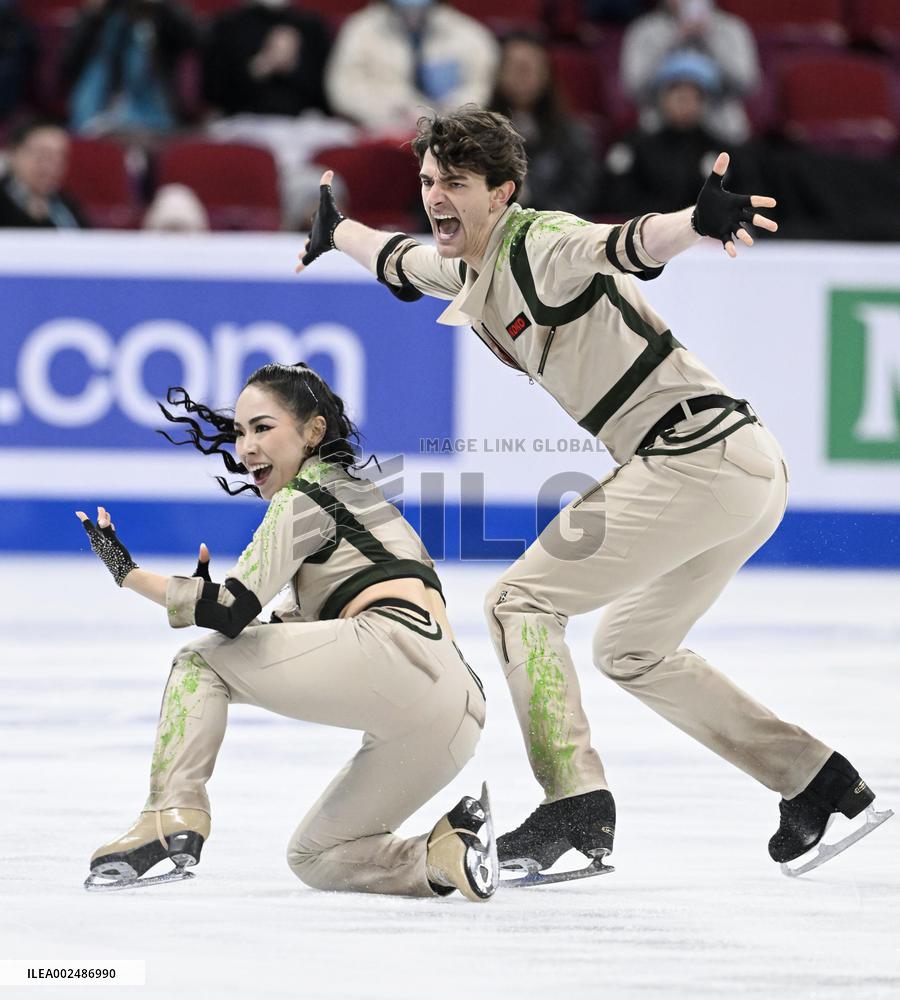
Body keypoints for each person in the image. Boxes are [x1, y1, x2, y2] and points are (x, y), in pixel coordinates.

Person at [295, 107, 892, 882]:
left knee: (519, 604)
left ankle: (573, 807)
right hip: (736, 462)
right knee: (631, 649)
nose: (436, 195)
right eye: (428, 180)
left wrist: (695, 222)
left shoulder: (539, 244)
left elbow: (625, 243)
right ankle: (818, 782)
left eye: (456, 183)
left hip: (696, 457)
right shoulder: (471, 267)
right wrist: (336, 230)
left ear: (502, 192)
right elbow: (398, 260)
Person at [76, 362, 496, 901]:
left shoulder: (307, 497)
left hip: (391, 652)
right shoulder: (363, 503)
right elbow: (276, 628)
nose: (245, 447)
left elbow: (229, 614)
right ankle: (442, 853)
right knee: (316, 857)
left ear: (313, 431)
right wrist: (218, 602)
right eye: (239, 432)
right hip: (456, 706)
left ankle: (169, 815)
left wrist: (130, 575)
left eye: (263, 427)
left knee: (198, 665)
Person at [325, 0, 498, 132]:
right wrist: (395, 112)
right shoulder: (360, 29)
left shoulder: (470, 34)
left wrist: (446, 116)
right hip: (380, 133)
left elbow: (480, 85)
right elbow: (343, 90)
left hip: (452, 134)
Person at [620, 0, 759, 144]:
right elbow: (634, 89)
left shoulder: (731, 28)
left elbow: (747, 85)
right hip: (660, 131)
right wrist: (675, 39)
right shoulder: (644, 30)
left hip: (721, 128)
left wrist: (708, 40)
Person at [489, 31, 596, 216]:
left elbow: (581, 192)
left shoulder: (571, 133)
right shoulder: (478, 131)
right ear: (499, 73)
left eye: (530, 68)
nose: (523, 76)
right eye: (515, 67)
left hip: (555, 230)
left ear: (546, 74)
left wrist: (539, 217)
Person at [62, 0, 198, 137]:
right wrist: (94, 14)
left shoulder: (161, 15)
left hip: (155, 118)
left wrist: (162, 6)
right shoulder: (104, 16)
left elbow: (196, 41)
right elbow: (68, 66)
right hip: (95, 113)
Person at [0, 117, 88, 228]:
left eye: (59, 158)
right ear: (13, 152)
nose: (51, 167)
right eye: (42, 155)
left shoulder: (65, 206)